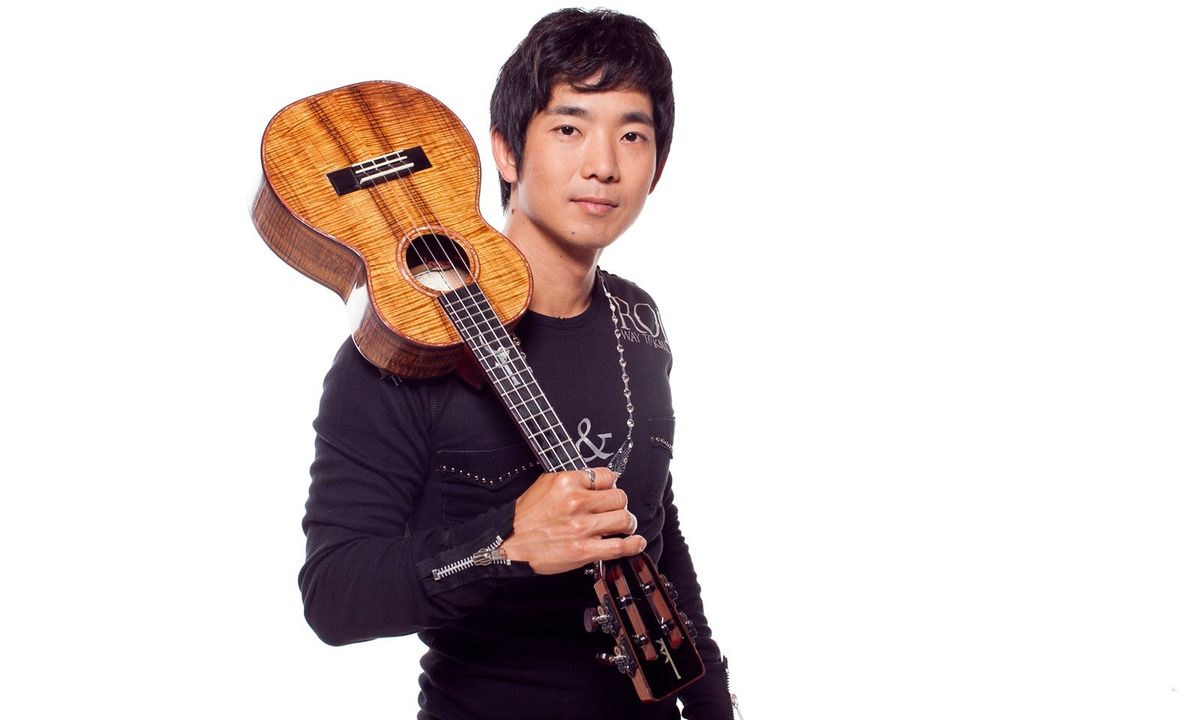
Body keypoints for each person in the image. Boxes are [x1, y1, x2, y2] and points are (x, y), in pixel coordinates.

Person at [299, 9, 733, 719]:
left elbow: (655, 527)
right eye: (569, 128)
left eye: (632, 134)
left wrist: (713, 705)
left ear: (657, 165)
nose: (603, 164)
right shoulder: (403, 347)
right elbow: (333, 596)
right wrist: (503, 544)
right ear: (505, 151)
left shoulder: (638, 320)